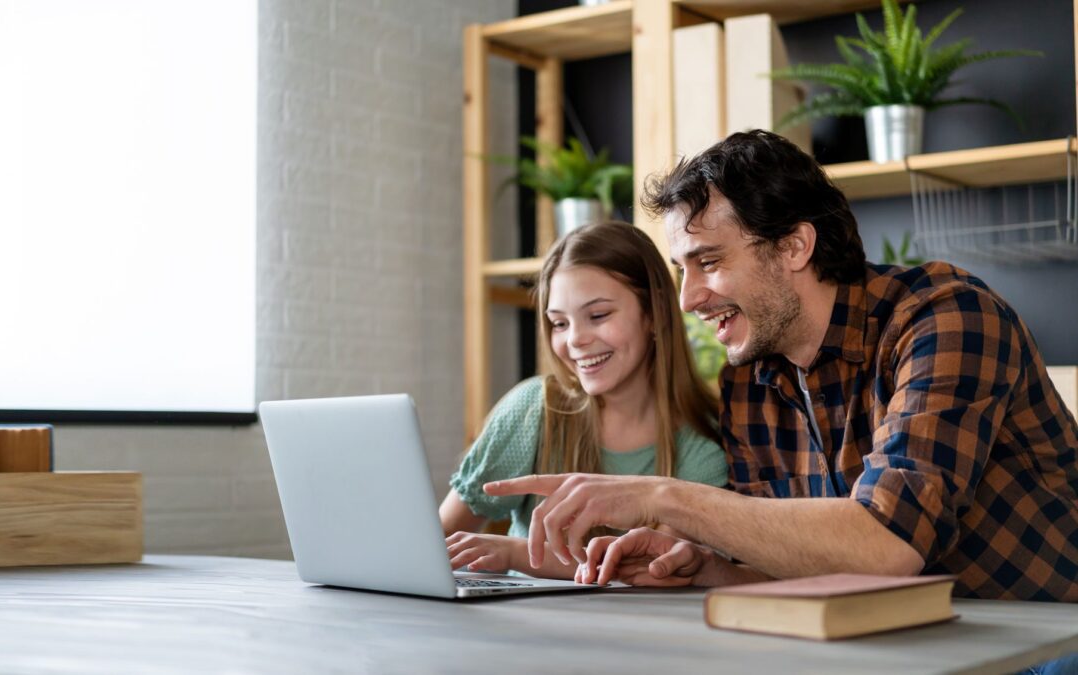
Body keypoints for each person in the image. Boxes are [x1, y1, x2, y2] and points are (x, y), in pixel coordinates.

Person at [486, 130, 1078, 601]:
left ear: (794, 246)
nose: (688, 298)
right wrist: (708, 570)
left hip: (1043, 637)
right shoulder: (748, 381)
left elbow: (887, 546)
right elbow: (811, 574)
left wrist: (664, 498)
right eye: (681, 269)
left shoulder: (944, 320)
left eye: (709, 261)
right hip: (905, 644)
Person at [439, 220, 728, 579]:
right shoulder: (535, 409)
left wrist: (513, 553)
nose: (575, 339)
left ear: (654, 314)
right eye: (559, 323)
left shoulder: (704, 445)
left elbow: (648, 569)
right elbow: (438, 538)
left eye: (598, 315)